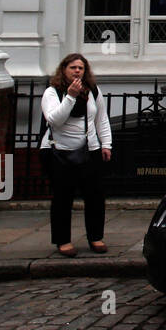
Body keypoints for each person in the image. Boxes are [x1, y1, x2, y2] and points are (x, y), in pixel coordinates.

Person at [41, 53, 112, 256]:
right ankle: (63, 241)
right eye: (73, 67)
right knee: (63, 197)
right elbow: (54, 120)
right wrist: (71, 96)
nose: (77, 71)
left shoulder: (93, 91)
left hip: (89, 150)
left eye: (81, 68)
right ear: (64, 70)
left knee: (95, 196)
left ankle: (95, 237)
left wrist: (106, 144)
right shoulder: (52, 92)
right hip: (59, 151)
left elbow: (101, 119)